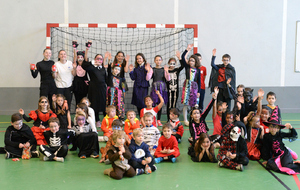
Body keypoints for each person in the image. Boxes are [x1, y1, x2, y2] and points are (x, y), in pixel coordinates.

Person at [82, 41, 107, 128]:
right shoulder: (91, 67)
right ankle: (97, 120)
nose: (99, 60)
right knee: (94, 104)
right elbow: (84, 65)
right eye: (97, 59)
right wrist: (92, 62)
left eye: (100, 59)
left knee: (103, 104)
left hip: (102, 88)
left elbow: (106, 79)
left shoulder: (103, 69)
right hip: (93, 88)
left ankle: (106, 119)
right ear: (95, 59)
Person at [180, 44, 201, 126]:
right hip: (187, 86)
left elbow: (199, 81)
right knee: (186, 103)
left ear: (196, 62)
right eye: (190, 60)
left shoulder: (198, 71)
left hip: (194, 87)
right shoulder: (187, 68)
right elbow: (182, 57)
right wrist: (187, 50)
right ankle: (185, 120)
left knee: (195, 104)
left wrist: (198, 91)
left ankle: (194, 119)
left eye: (193, 61)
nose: (191, 62)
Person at [150, 55, 170, 126]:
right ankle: (152, 119)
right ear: (154, 61)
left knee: (160, 103)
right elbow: (149, 77)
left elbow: (168, 79)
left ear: (161, 61)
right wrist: (149, 70)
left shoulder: (163, 70)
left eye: (159, 60)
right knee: (153, 103)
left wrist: (167, 72)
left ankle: (158, 119)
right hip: (155, 87)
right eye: (157, 60)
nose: (158, 61)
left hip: (162, 88)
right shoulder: (153, 69)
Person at [72, 41, 89, 105]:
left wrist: (87, 48)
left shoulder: (85, 65)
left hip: (84, 85)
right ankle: (78, 112)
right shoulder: (75, 64)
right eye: (78, 57)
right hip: (77, 85)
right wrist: (74, 48)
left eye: (81, 57)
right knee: (77, 100)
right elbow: (74, 58)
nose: (80, 59)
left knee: (84, 100)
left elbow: (86, 58)